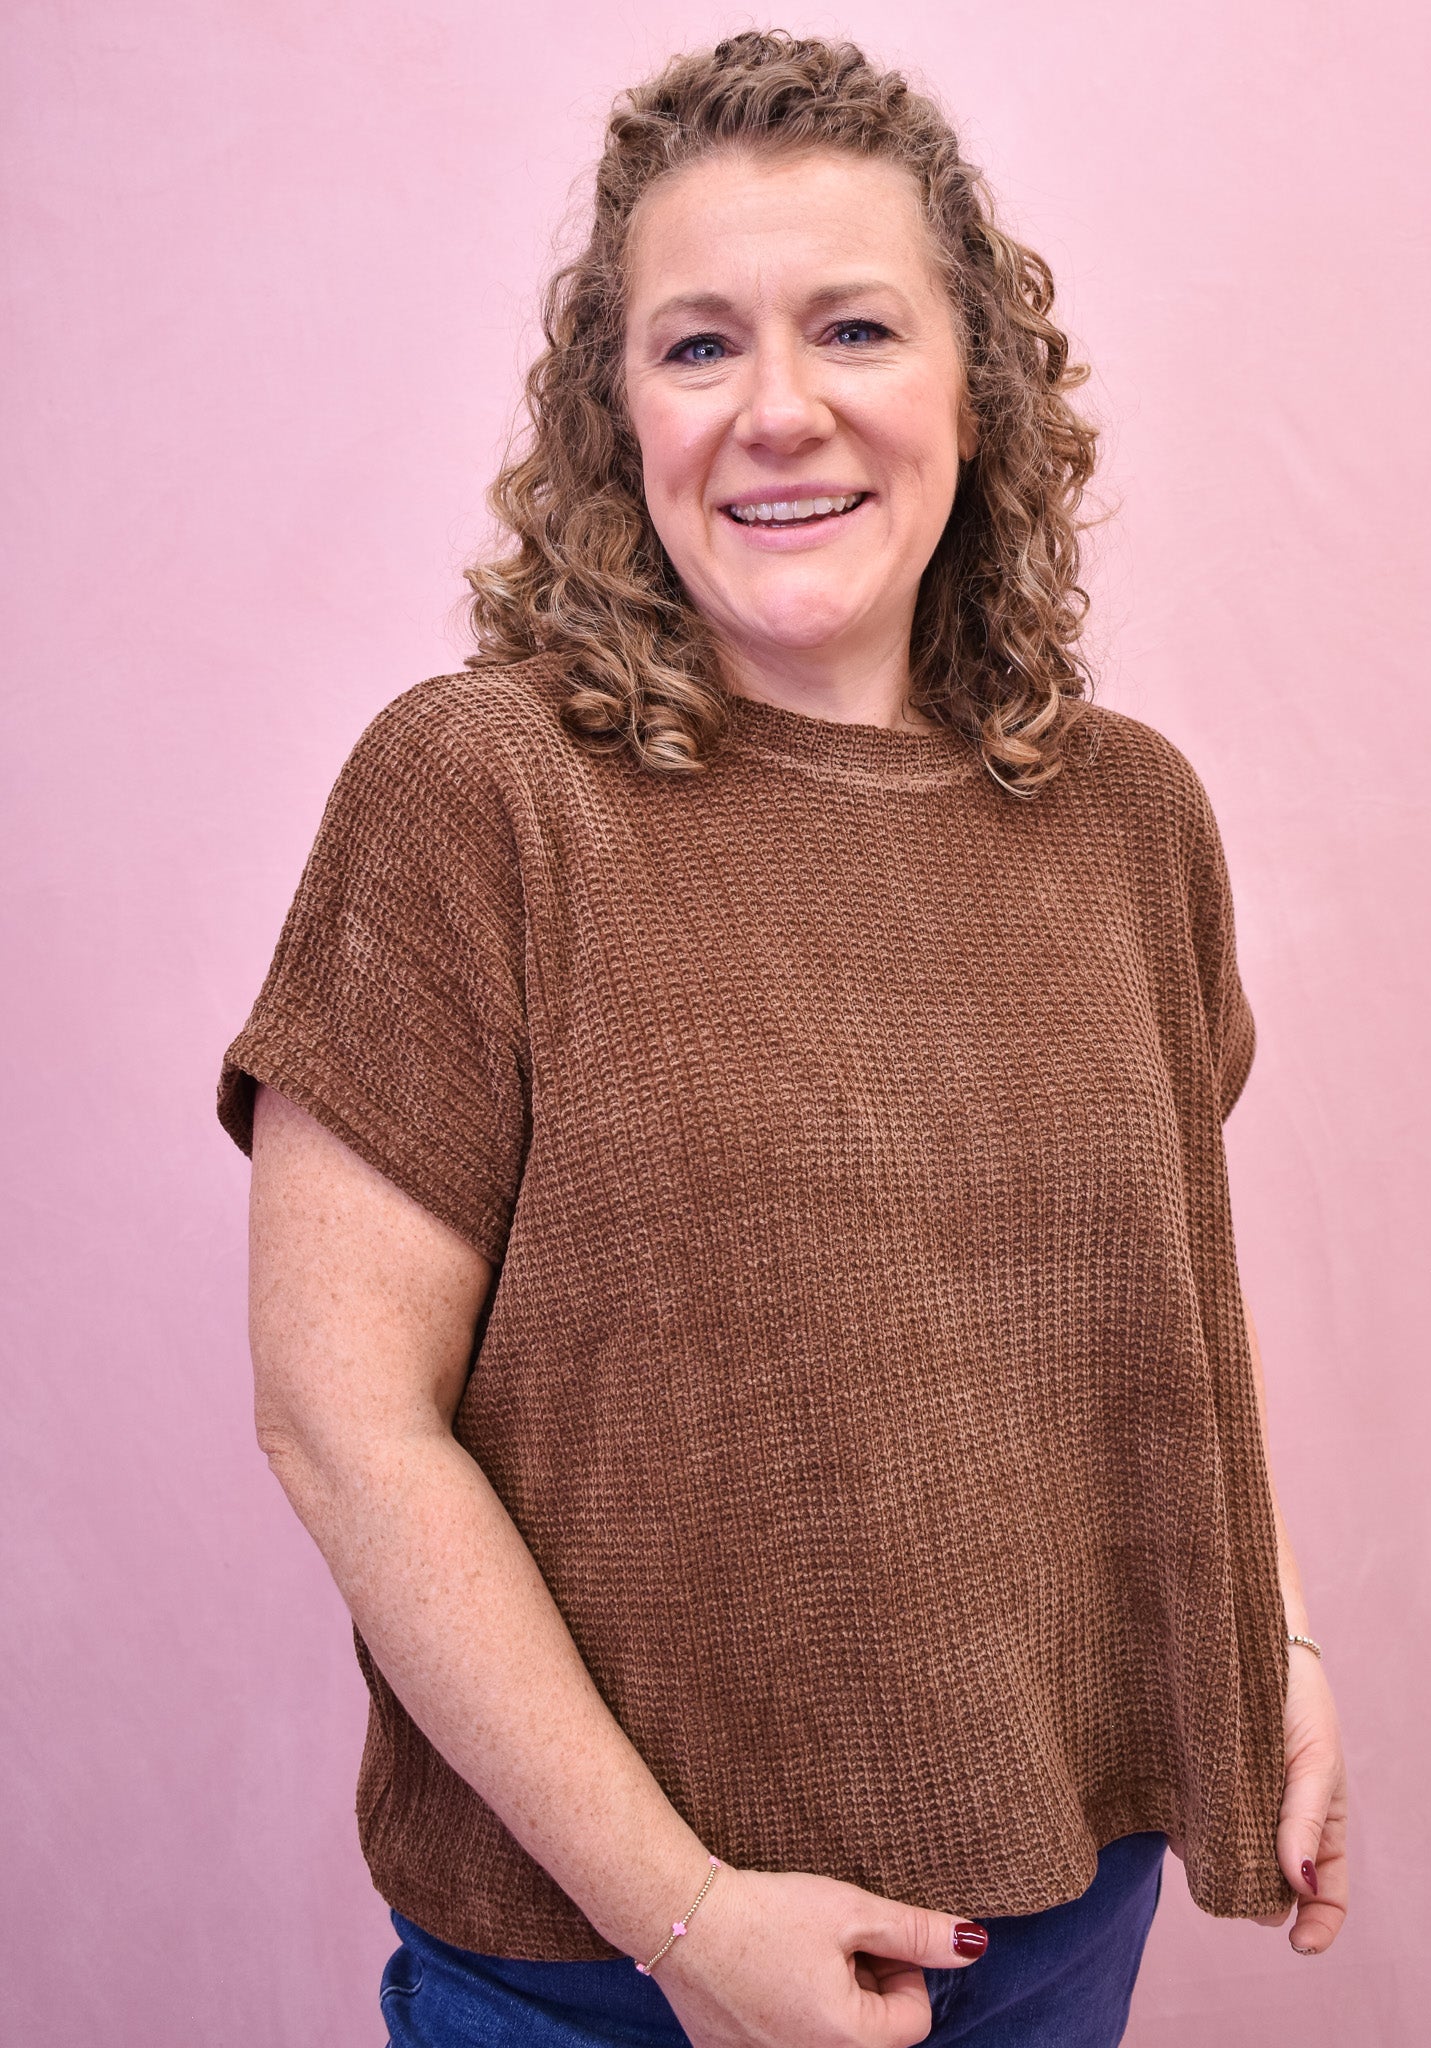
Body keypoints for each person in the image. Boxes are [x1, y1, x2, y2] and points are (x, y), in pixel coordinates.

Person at [218, 31, 1348, 2048]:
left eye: (852, 326)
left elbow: (1149, 1320)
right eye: (698, 346)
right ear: (613, 414)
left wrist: (1265, 1636)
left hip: (1054, 1915)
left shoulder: (1128, 815)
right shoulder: (479, 792)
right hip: (608, 1964)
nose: (782, 408)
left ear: (974, 390)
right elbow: (341, 1418)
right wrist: (685, 1914)